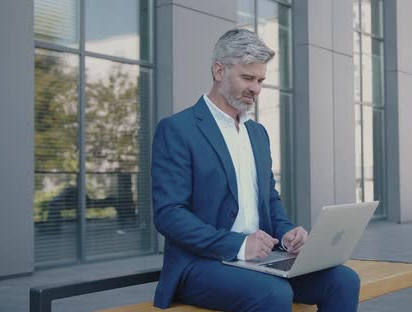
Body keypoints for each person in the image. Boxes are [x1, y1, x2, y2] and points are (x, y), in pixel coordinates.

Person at [151, 28, 360, 311]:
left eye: (260, 80)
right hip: (202, 263)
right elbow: (169, 214)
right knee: (274, 293)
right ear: (218, 71)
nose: (256, 89)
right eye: (247, 78)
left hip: (261, 259)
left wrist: (287, 235)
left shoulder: (257, 133)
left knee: (343, 280)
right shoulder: (178, 129)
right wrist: (238, 245)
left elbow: (269, 198)